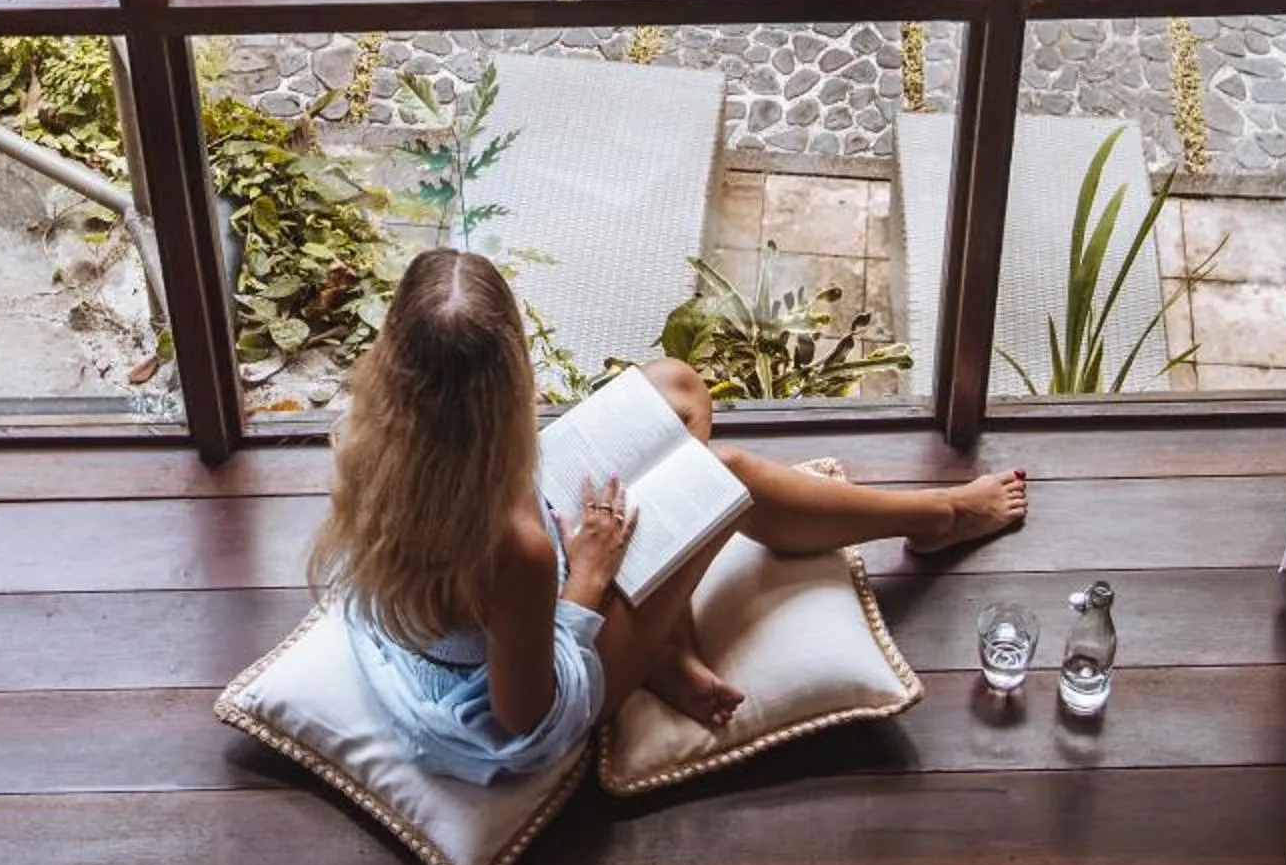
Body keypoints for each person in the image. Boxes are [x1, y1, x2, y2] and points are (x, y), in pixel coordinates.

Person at [309, 246, 1029, 786]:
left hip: (484, 605)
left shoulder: (376, 435)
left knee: (678, 390)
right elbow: (525, 715)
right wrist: (587, 577)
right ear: (510, 376)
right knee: (727, 476)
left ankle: (663, 643)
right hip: (521, 682)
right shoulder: (517, 549)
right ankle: (934, 517)